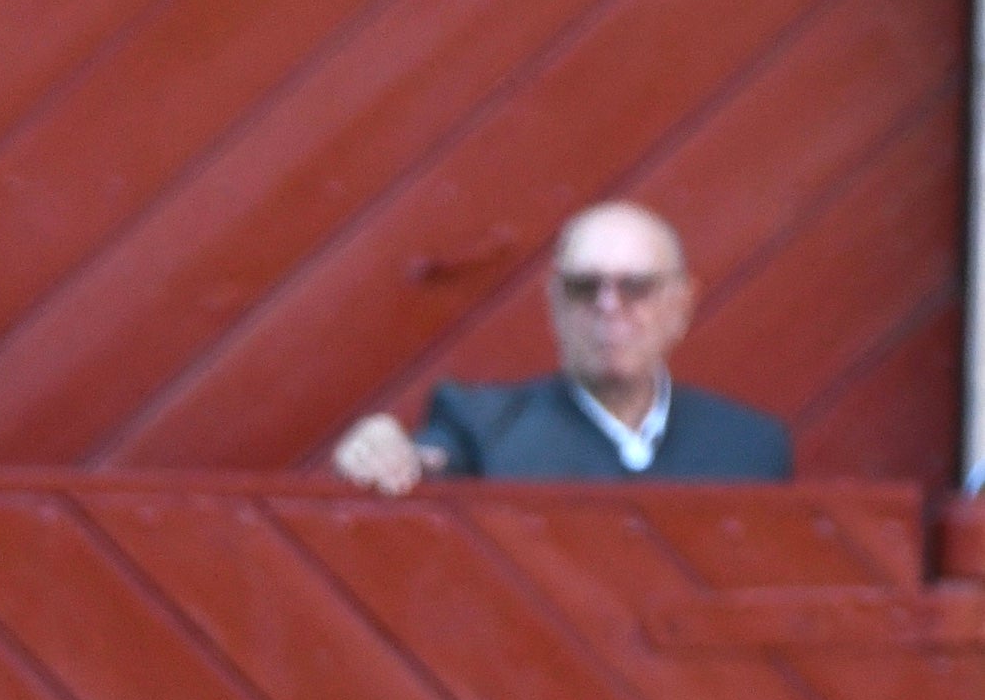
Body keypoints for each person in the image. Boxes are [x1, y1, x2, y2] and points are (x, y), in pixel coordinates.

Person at [332, 200, 789, 492]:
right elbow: (426, 460)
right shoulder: (480, 428)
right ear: (554, 304)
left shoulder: (750, 448)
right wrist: (383, 450)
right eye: (584, 287)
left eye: (636, 287)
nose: (609, 305)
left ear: (681, 304)